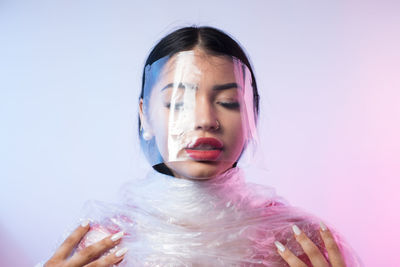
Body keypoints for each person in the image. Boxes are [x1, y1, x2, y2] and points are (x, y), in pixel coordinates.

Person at [43, 26, 363, 266]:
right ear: (145, 116)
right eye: (178, 102)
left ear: (252, 115)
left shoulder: (298, 242)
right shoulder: (103, 242)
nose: (205, 120)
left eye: (228, 101)